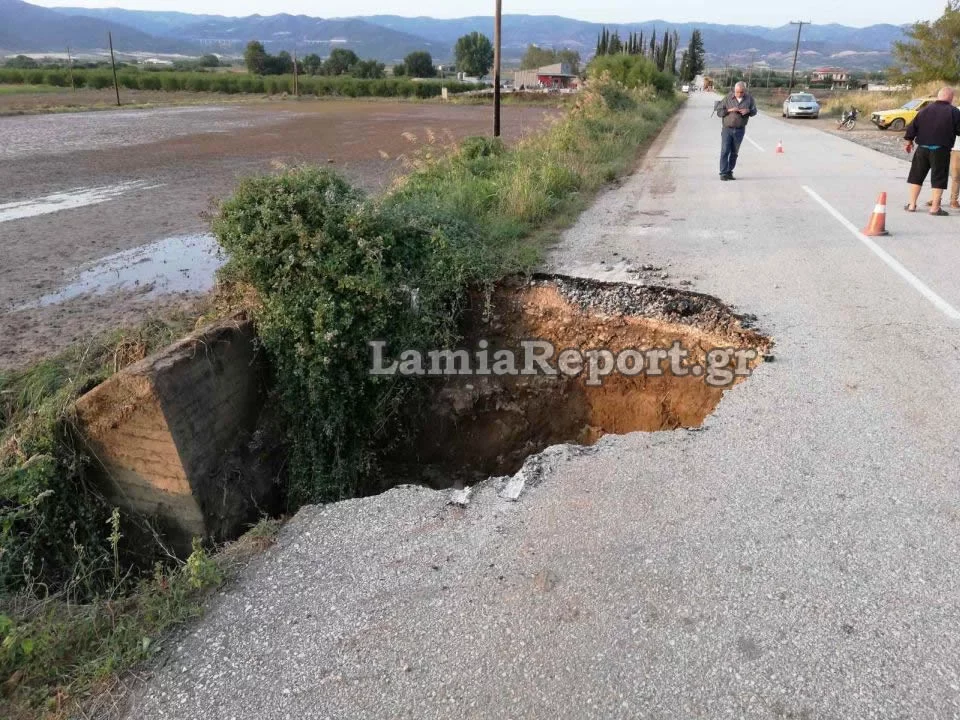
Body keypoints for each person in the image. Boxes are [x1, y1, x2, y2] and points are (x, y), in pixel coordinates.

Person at [903, 86, 960, 215]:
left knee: (916, 176)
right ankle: (934, 208)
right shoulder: (954, 111)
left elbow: (912, 128)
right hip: (941, 149)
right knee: (938, 177)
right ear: (951, 98)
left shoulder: (924, 110)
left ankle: (912, 205)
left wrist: (909, 142)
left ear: (938, 96)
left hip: (922, 148)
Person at [717, 81, 758, 181]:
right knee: (725, 151)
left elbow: (754, 111)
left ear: (745, 91)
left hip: (740, 130)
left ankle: (729, 172)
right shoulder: (727, 98)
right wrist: (729, 110)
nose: (739, 94)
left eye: (741, 92)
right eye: (737, 92)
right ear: (734, 90)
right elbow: (719, 112)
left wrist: (748, 111)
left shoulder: (749, 99)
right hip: (727, 129)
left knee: (734, 152)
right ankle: (723, 173)